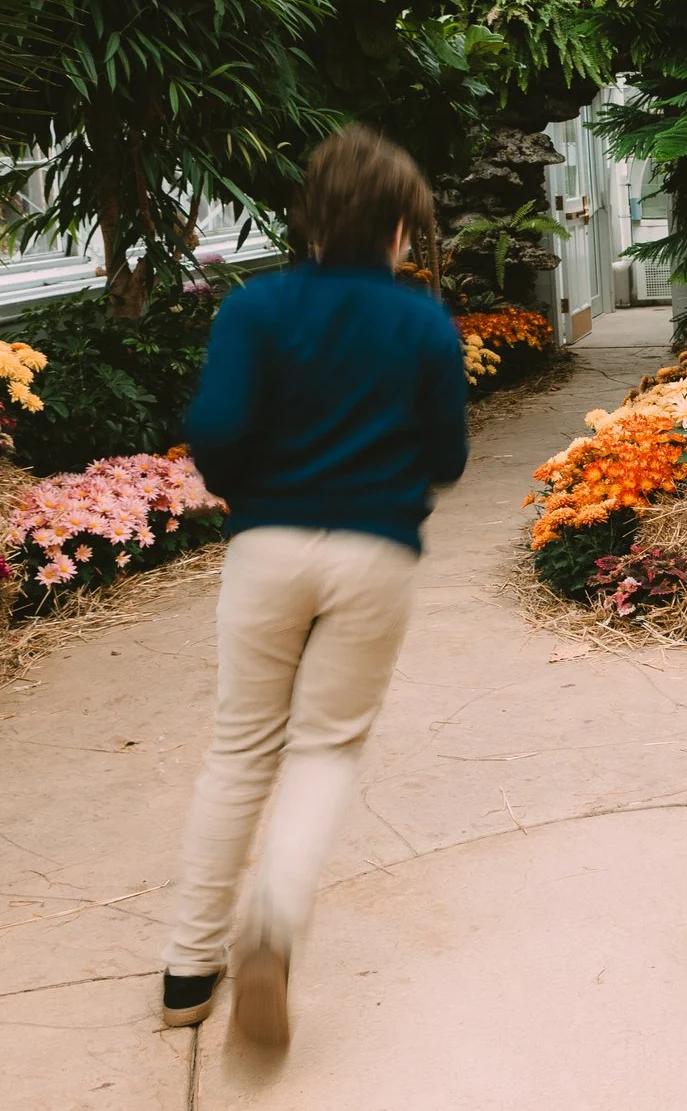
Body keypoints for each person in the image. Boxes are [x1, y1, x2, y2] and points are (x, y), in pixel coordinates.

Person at [158, 125, 470, 1042]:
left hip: (267, 545)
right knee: (324, 749)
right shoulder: (422, 321)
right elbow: (448, 456)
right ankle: (272, 928)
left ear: (312, 219)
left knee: (239, 749)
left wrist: (252, 488)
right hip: (376, 552)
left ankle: (186, 971)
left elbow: (214, 427)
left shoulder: (254, 310)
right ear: (402, 228)